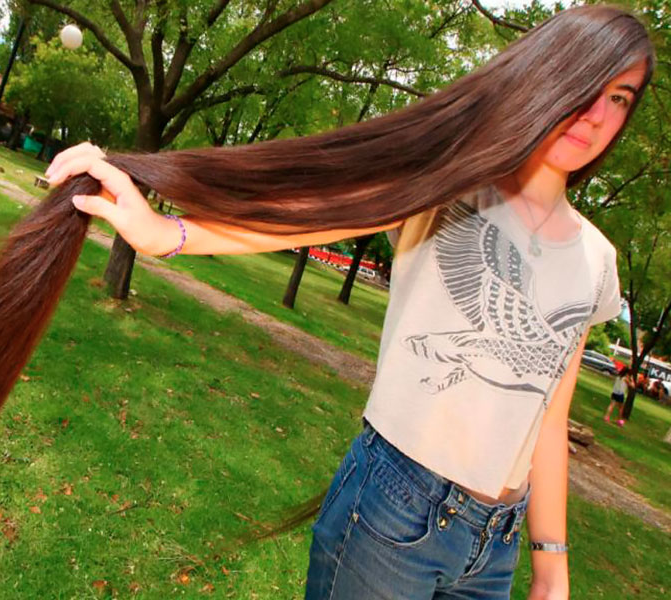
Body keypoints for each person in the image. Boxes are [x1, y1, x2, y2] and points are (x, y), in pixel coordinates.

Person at [41, 6, 653, 599]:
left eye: (620, 98)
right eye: (589, 83)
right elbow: (313, 214)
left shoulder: (596, 261)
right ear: (552, 74)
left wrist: (551, 564)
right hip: (395, 510)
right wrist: (166, 234)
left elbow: (548, 413)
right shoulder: (453, 184)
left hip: (495, 549)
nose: (596, 114)